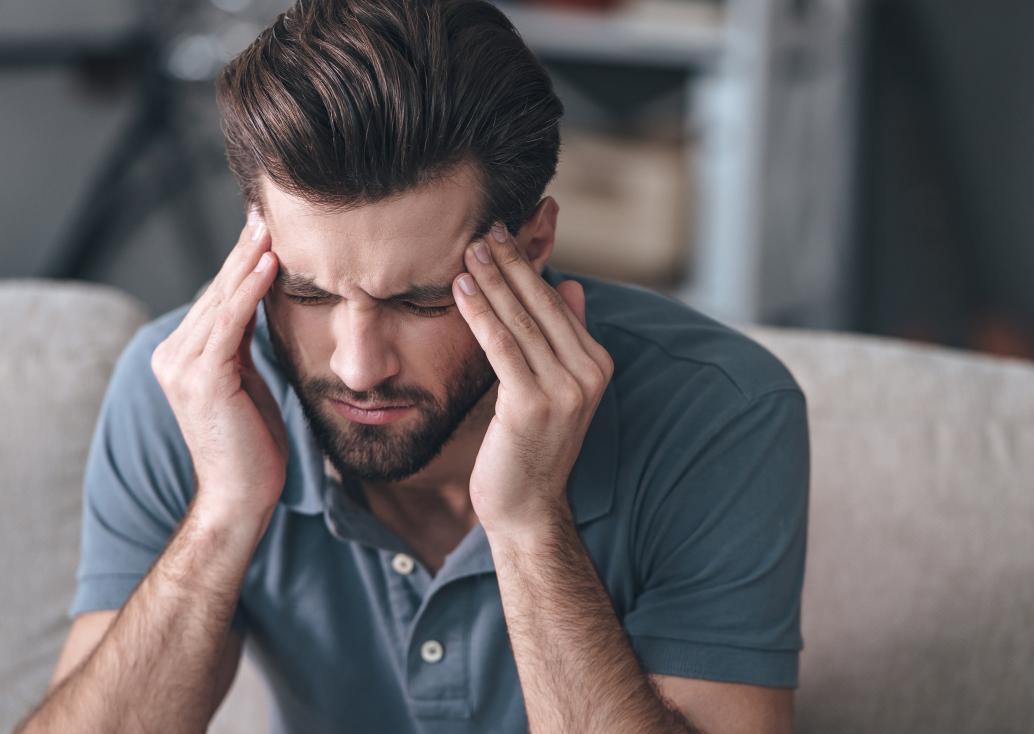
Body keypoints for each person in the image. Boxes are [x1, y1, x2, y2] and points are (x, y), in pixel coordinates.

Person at [17, 0, 809, 731]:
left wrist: (531, 524)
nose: (358, 368)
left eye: (422, 301)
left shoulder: (721, 411)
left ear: (531, 249)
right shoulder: (189, 393)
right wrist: (223, 514)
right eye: (308, 292)